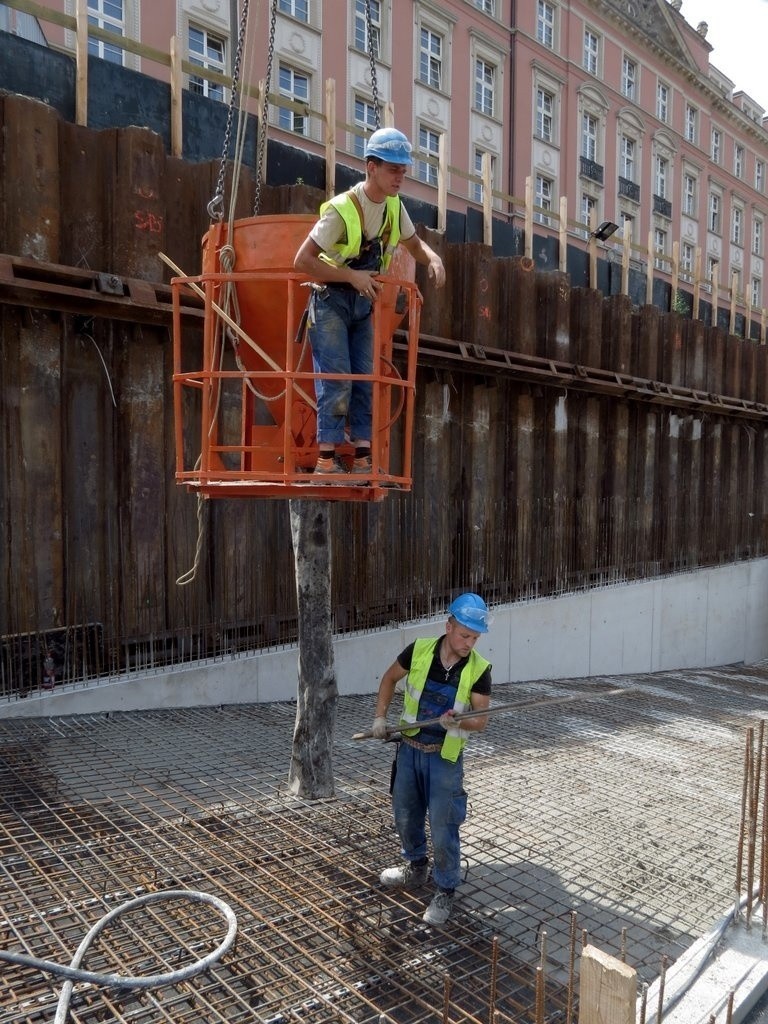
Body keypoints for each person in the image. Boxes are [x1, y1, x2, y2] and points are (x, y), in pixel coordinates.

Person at [294, 127, 445, 477]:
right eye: (393, 169)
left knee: (365, 380)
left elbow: (414, 245)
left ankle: (362, 458)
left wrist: (434, 259)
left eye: (403, 171)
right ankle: (326, 463)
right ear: (371, 167)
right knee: (338, 379)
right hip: (330, 301)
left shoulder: (394, 207)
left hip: (363, 305)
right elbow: (302, 260)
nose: (400, 178)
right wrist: (351, 276)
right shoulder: (342, 209)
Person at [370, 593, 492, 926]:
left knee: (443, 826)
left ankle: (445, 889)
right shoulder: (420, 650)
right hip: (410, 750)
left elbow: (480, 720)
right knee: (405, 815)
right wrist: (380, 718)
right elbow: (388, 679)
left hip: (444, 759)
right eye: (465, 634)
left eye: (475, 637)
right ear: (449, 625)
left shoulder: (479, 669)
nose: (469, 642)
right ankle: (415, 868)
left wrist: (460, 720)